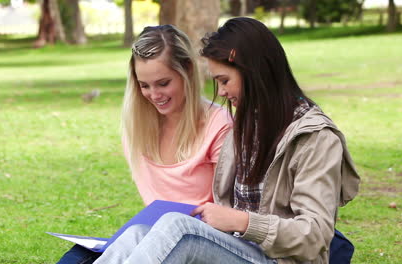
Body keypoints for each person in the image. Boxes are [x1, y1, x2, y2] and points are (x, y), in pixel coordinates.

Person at [92, 17, 360, 264]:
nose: (219, 92)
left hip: (278, 259)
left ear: (252, 71)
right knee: (138, 233)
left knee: (176, 225)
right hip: (236, 248)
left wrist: (243, 222)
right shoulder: (247, 124)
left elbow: (315, 236)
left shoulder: (315, 138)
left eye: (224, 80)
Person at [56, 25, 232, 263]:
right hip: (154, 235)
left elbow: (231, 212)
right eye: (144, 85)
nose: (154, 95)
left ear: (188, 70)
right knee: (78, 257)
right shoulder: (137, 129)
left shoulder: (219, 125)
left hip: (206, 242)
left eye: (163, 83)